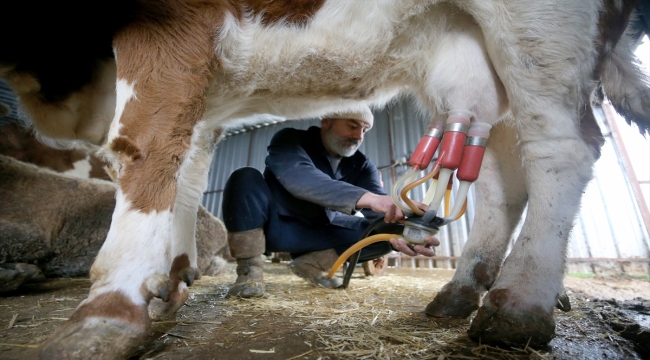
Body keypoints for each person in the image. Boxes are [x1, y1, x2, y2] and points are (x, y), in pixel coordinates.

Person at [222, 105, 439, 298]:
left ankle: (312, 263)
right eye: (352, 126)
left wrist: (409, 230)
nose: (358, 136)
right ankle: (249, 271)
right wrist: (371, 199)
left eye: (364, 130)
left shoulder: (362, 165)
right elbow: (298, 177)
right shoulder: (290, 139)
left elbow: (381, 210)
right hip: (273, 226)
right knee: (244, 177)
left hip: (320, 232)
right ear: (327, 121)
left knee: (384, 234)